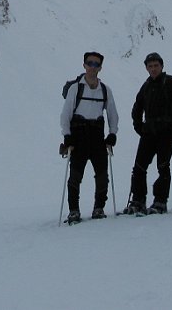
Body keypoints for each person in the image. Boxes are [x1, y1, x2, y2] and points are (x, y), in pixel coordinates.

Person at [123, 52, 172, 215]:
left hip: (166, 132)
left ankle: (160, 201)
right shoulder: (147, 85)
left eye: (156, 66)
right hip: (150, 132)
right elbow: (137, 107)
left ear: (161, 66)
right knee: (139, 167)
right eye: (150, 66)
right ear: (146, 68)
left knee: (162, 166)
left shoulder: (171, 83)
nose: (153, 69)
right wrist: (138, 125)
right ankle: (139, 200)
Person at [60, 51, 119, 224]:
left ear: (100, 68)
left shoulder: (105, 90)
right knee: (75, 176)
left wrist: (112, 134)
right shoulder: (75, 88)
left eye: (96, 64)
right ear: (84, 65)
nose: (93, 67)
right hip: (78, 137)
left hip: (97, 136)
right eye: (90, 63)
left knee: (102, 175)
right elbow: (65, 114)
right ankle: (73, 211)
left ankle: (99, 208)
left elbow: (113, 114)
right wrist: (67, 136)